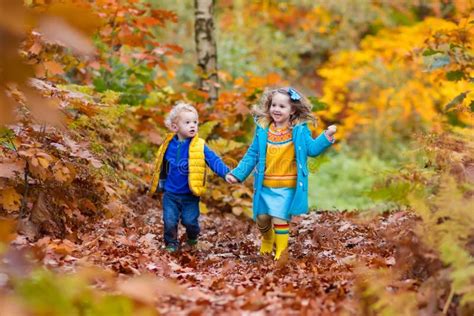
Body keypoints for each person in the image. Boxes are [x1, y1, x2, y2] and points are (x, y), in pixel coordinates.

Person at [225, 87, 337, 260]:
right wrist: (238, 173)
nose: (276, 109)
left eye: (282, 106)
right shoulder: (263, 129)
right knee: (261, 218)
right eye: (273, 105)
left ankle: (281, 251)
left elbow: (312, 149)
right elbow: (253, 153)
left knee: (279, 218)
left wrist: (326, 136)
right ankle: (268, 239)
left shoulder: (299, 130)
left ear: (292, 110)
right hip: (265, 185)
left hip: (287, 186)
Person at [149, 102, 230, 252]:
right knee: (169, 220)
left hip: (190, 194)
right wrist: (157, 182)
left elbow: (213, 160)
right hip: (171, 193)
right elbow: (159, 164)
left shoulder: (199, 145)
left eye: (195, 122)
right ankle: (171, 244)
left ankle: (192, 238)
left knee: (190, 221)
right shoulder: (167, 145)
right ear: (175, 127)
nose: (193, 125)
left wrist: (226, 173)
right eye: (187, 122)